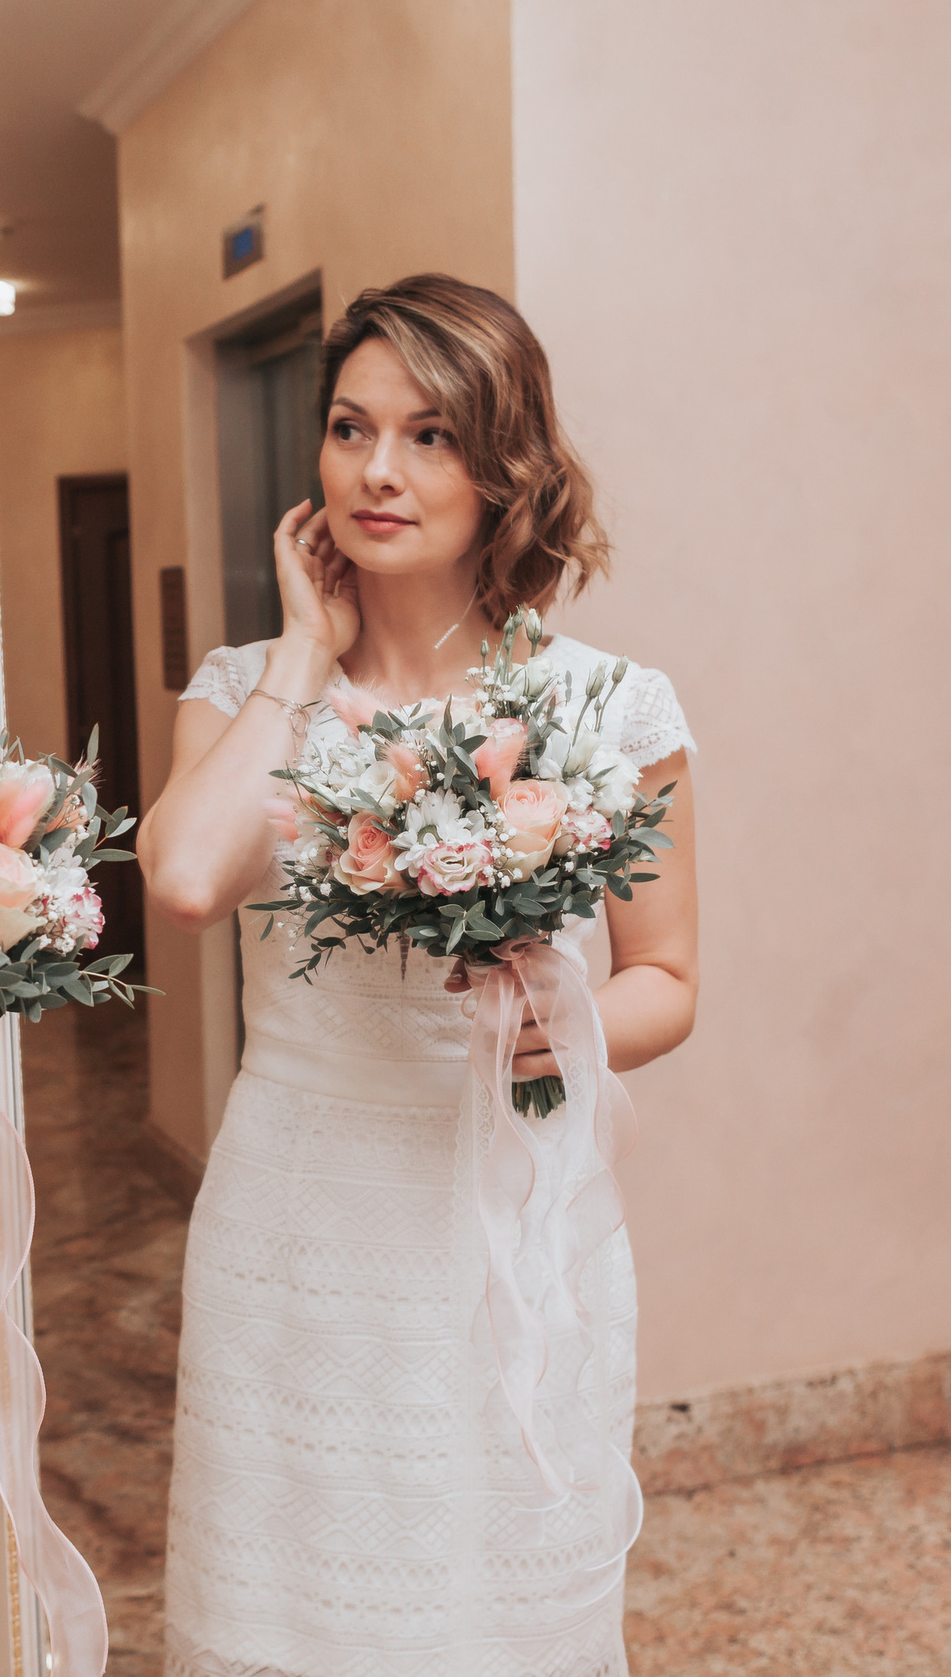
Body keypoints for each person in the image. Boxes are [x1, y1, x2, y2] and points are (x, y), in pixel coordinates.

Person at [141, 274, 700, 1676]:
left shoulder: (607, 707)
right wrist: (299, 656)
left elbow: (669, 979)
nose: (377, 471)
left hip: (507, 1220)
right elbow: (189, 880)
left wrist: (558, 1022)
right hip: (298, 1223)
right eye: (348, 427)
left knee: (500, 1601)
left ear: (504, 466)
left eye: (432, 435)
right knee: (298, 1609)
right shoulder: (244, 689)